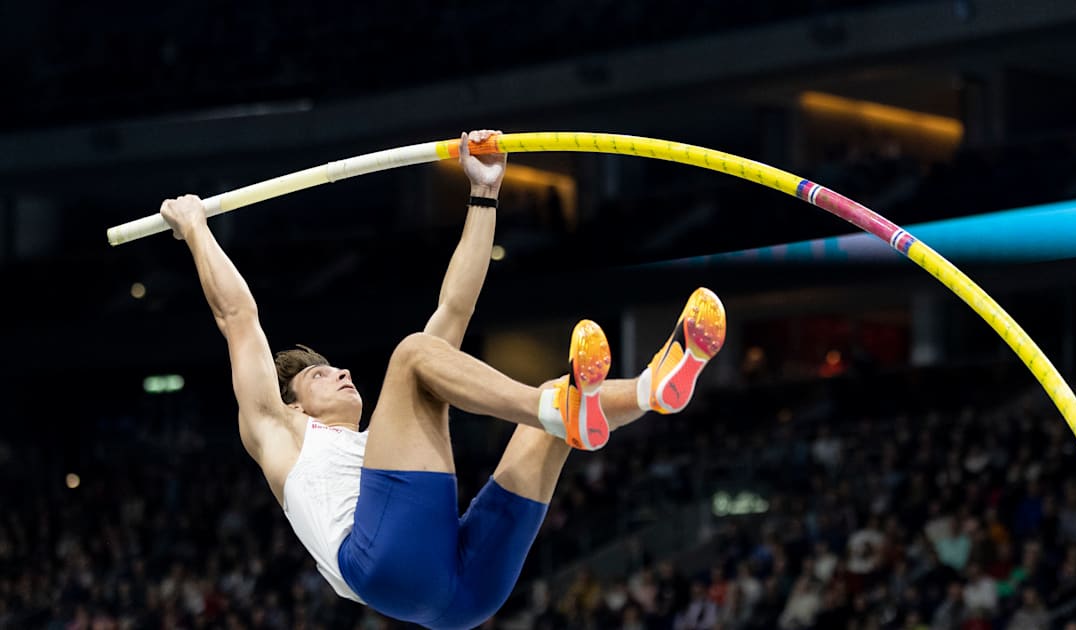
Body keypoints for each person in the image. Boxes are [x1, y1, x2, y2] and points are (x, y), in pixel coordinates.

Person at [158, 129, 726, 630]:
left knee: (541, 399)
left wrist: (483, 193)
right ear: (294, 404)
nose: (343, 371)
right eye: (320, 375)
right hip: (384, 564)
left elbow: (455, 307)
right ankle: (558, 409)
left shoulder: (386, 444)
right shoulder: (278, 433)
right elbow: (238, 318)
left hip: (462, 596)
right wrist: (196, 228)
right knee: (414, 357)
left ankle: (653, 388)